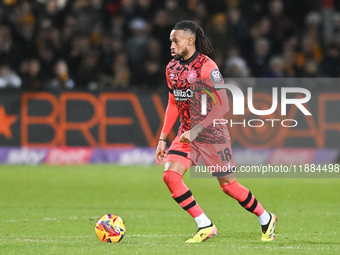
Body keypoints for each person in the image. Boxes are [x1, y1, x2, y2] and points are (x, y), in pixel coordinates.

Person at [155, 20, 277, 243]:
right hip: (186, 132)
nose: (171, 45)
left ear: (190, 40)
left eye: (175, 41)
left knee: (229, 186)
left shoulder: (206, 67)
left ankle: (266, 217)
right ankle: (205, 224)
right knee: (170, 176)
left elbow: (223, 105)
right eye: (170, 41)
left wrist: (197, 129)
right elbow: (173, 102)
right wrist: (163, 137)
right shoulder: (171, 68)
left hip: (212, 132)